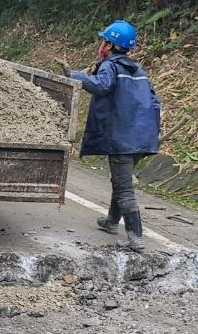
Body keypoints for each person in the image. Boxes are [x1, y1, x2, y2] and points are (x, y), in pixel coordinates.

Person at [61, 20, 160, 253]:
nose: (101, 45)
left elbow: (102, 86)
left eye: (103, 41)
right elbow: (154, 102)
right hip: (142, 138)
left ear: (110, 45)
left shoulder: (110, 66)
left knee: (124, 188)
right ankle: (111, 222)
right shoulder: (138, 71)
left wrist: (74, 75)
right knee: (120, 180)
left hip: (123, 139)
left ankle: (136, 238)